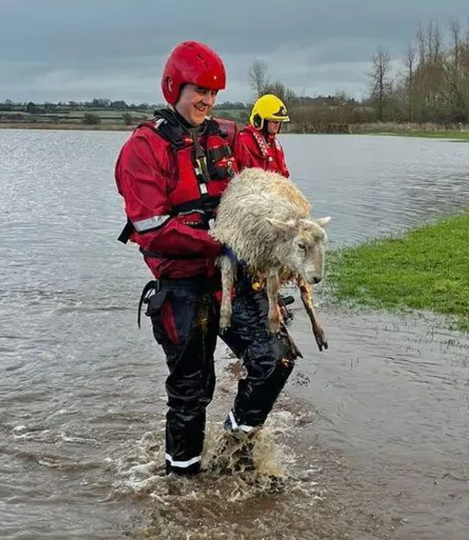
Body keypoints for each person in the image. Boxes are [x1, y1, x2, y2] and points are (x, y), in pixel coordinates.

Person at [115, 40, 297, 477]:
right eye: (200, 90)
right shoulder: (144, 147)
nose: (208, 101)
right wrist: (221, 241)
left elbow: (262, 185)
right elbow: (151, 229)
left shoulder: (229, 136)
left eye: (214, 93)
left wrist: (277, 228)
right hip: (181, 288)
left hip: (232, 278)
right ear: (174, 87)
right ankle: (182, 487)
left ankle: (234, 451)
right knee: (192, 391)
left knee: (277, 358)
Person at [234, 93, 290, 177]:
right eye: (274, 121)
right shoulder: (243, 141)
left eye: (279, 122)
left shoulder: (275, 144)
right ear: (261, 121)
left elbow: (284, 174)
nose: (277, 125)